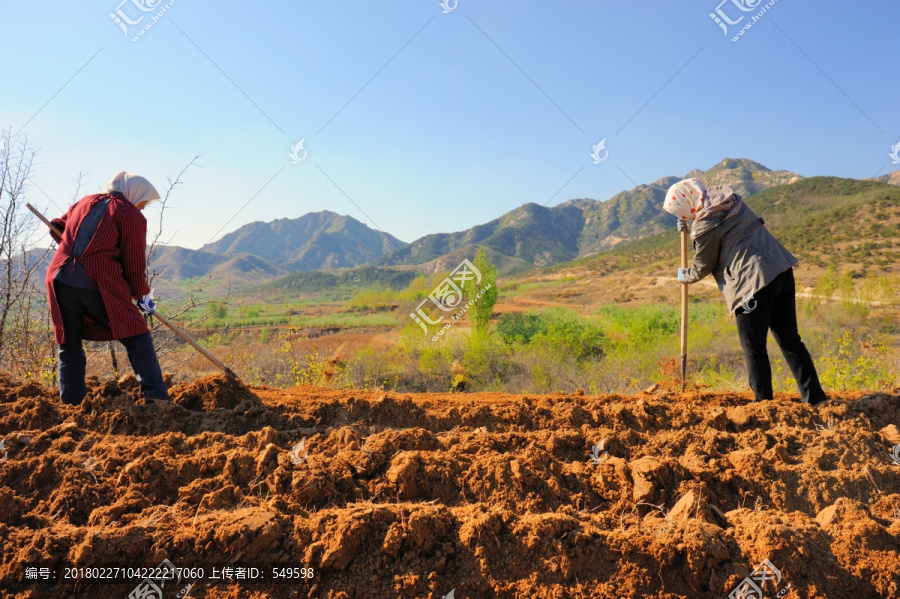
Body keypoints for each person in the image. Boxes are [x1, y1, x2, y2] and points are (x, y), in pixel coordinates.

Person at [664, 178, 827, 405]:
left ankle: (763, 404)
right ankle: (816, 399)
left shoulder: (705, 226)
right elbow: (728, 230)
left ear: (686, 204)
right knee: (790, 340)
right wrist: (691, 226)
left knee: (753, 346)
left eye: (679, 212)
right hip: (780, 269)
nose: (680, 215)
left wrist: (684, 275)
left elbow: (703, 265)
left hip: (752, 284)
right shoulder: (730, 202)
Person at [45, 171, 169, 405]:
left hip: (59, 277)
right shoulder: (128, 213)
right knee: (137, 334)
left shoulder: (85, 202)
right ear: (134, 195)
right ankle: (156, 399)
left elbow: (57, 227)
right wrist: (143, 296)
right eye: (143, 203)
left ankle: (72, 404)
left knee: (68, 343)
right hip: (96, 280)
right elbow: (133, 265)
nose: (142, 208)